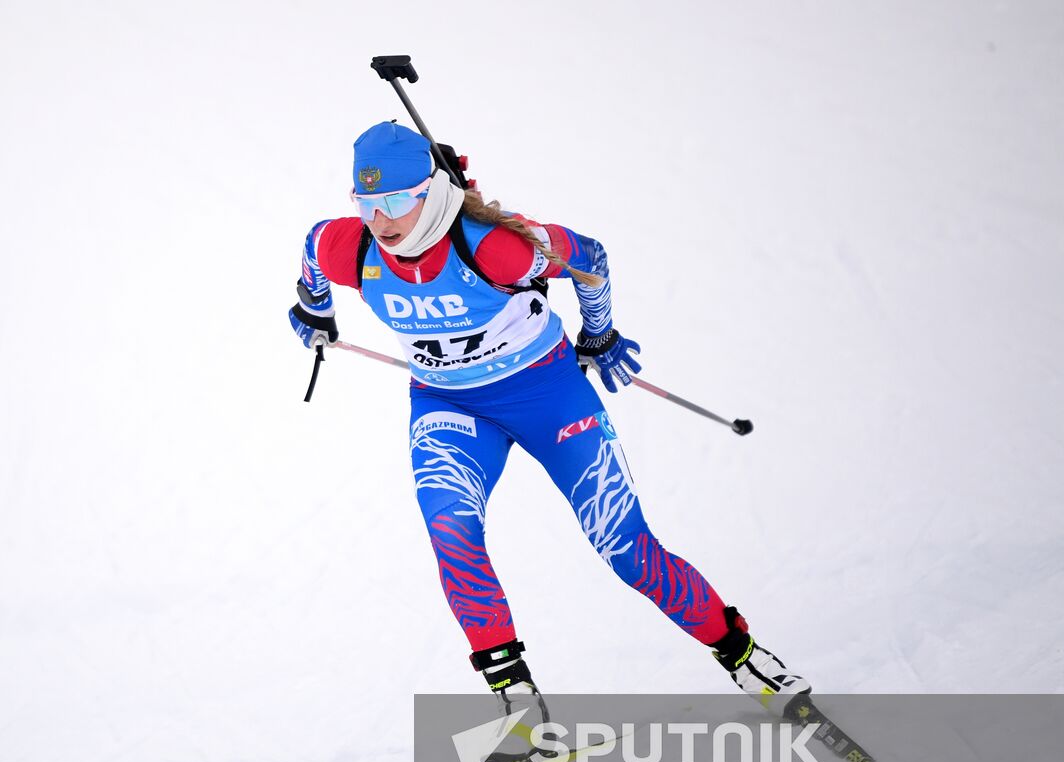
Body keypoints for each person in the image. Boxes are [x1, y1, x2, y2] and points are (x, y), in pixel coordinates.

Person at [289, 121, 808, 720]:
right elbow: (311, 251)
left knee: (624, 546)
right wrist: (313, 309)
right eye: (368, 203)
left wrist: (600, 332)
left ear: (431, 190)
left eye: (398, 200)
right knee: (452, 534)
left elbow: (590, 259)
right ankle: (521, 710)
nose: (383, 220)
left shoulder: (492, 246)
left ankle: (744, 656)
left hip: (548, 396)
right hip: (448, 404)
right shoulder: (349, 247)